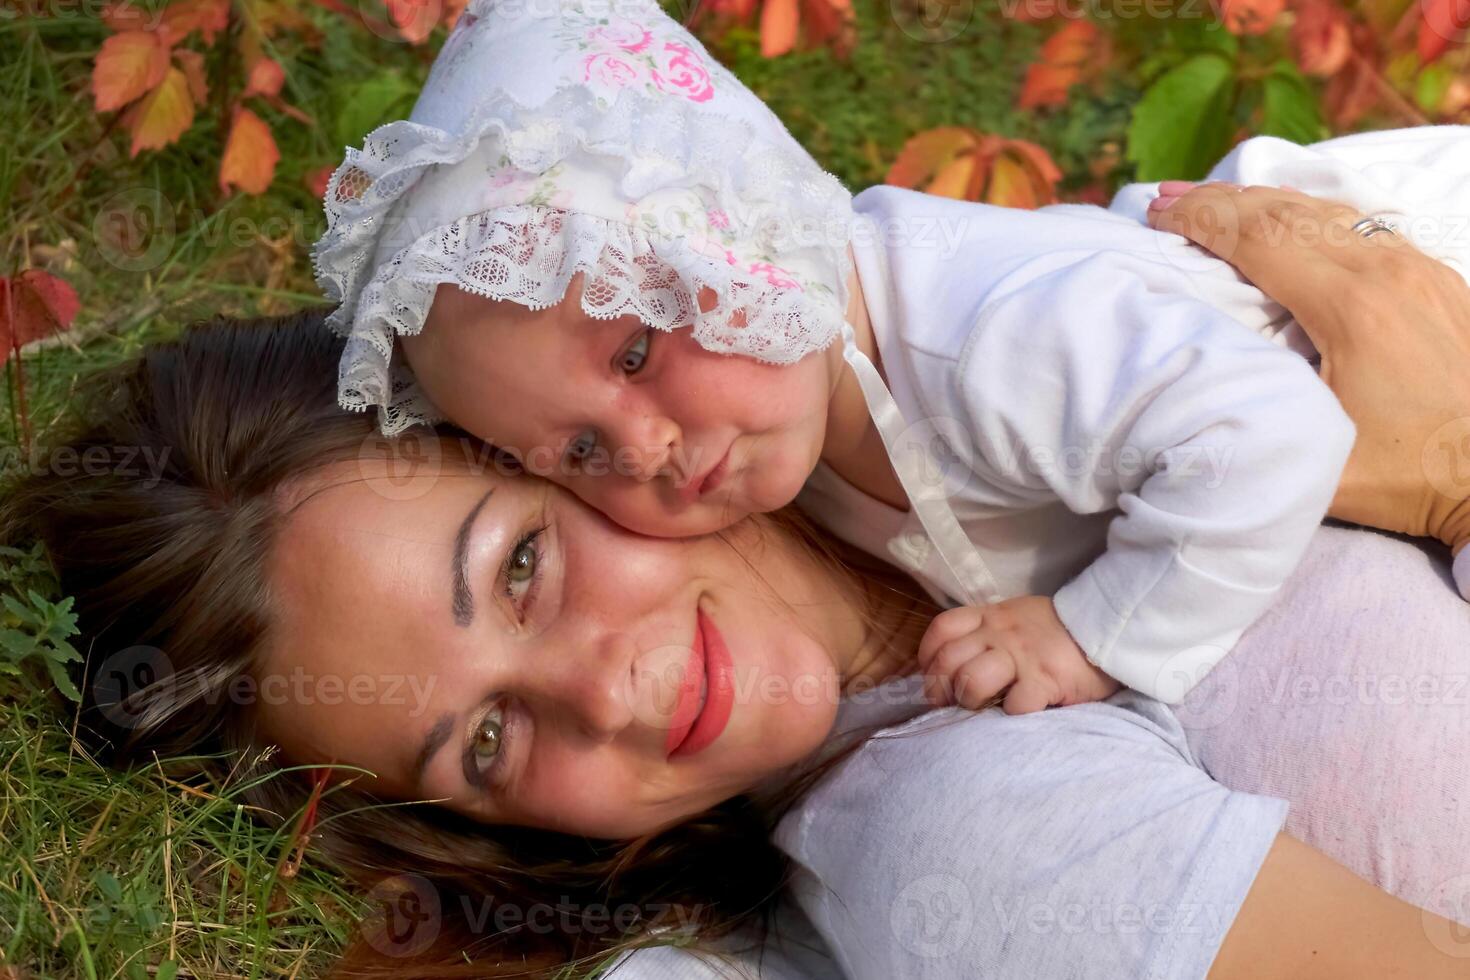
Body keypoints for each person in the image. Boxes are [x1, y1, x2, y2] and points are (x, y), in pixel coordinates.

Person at [7, 312, 1467, 979]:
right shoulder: (975, 840)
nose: (606, 689)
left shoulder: (999, 379)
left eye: (522, 567)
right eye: (490, 741)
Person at [311, 0, 1470, 722]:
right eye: (576, 449)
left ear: (743, 220)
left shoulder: (981, 335)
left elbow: (1271, 431)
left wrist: (1090, 633)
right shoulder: (803, 419)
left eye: (634, 343)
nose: (647, 450)